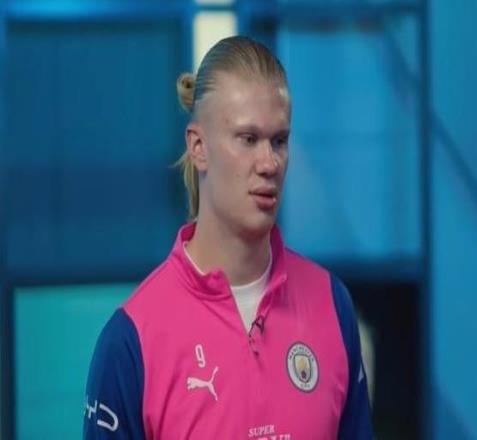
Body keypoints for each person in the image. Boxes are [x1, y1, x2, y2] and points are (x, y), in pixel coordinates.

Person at [83, 36, 373, 439]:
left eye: (279, 141)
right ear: (199, 147)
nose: (269, 163)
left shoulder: (331, 303)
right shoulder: (132, 339)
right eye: (248, 139)